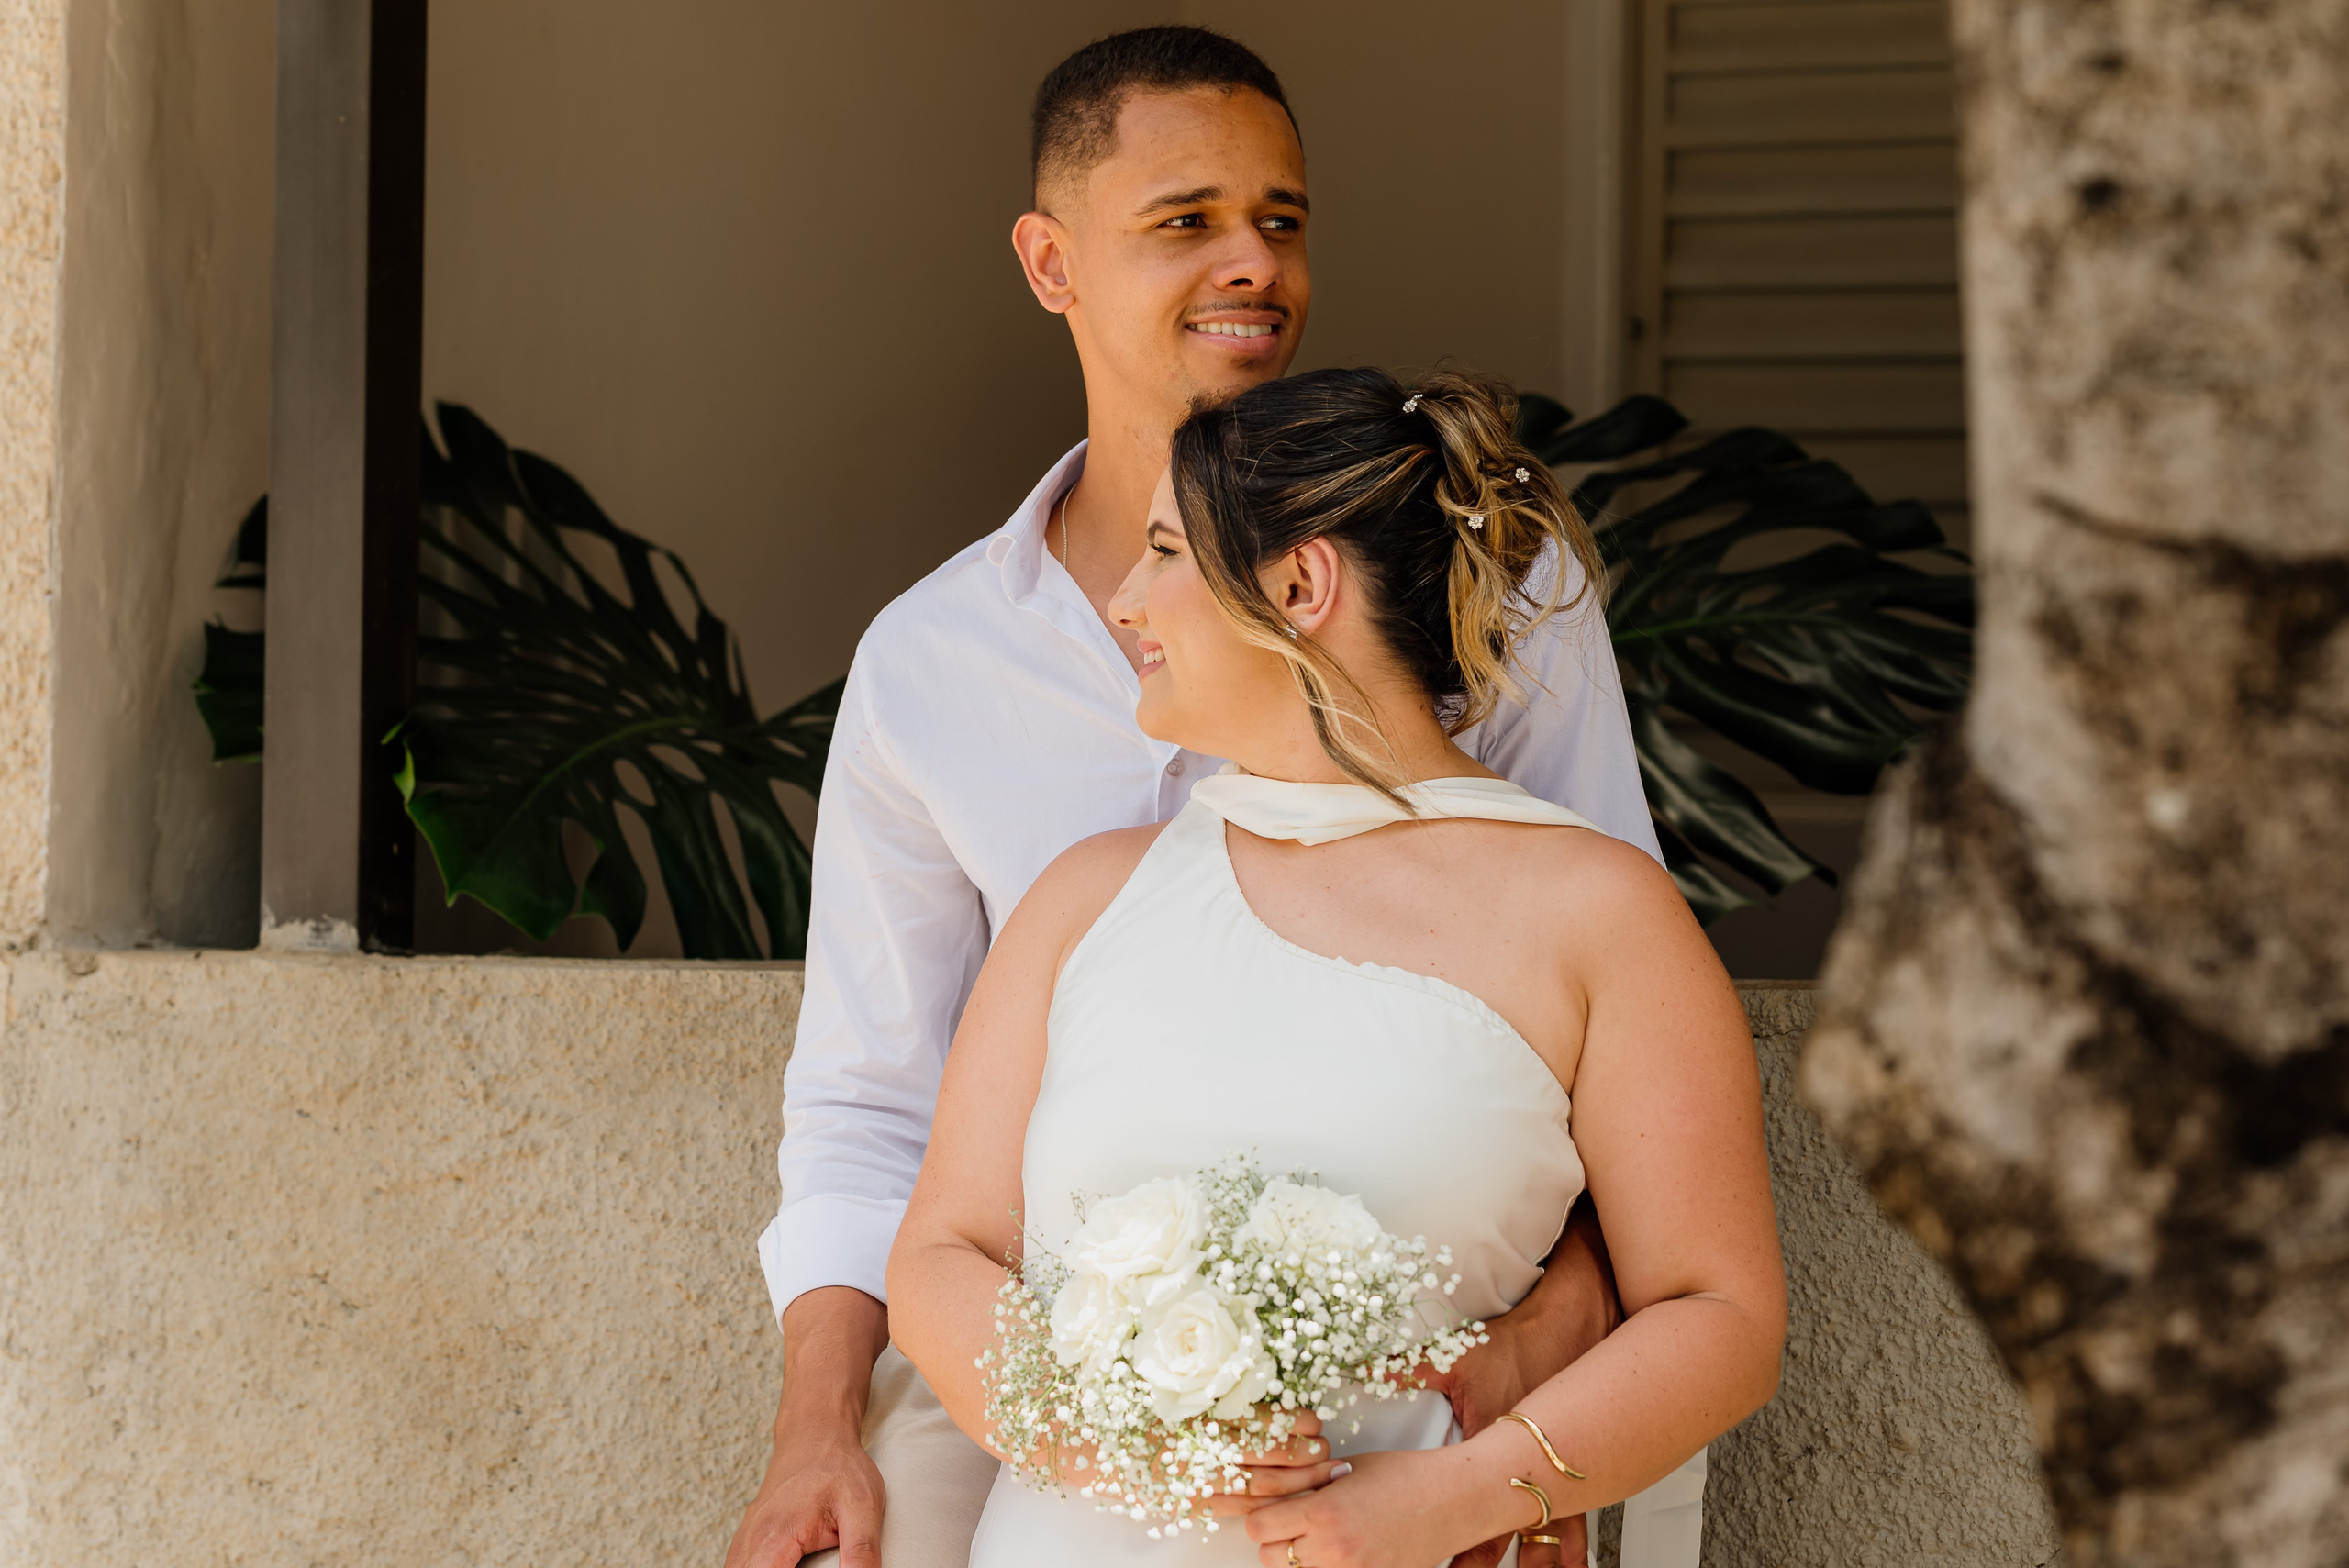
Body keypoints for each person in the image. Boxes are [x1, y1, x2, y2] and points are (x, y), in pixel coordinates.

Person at [728, 27, 1675, 1568]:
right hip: (1039, 1344)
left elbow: (1609, 1018)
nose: (1255, 262)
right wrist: (819, 1427)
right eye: (1187, 222)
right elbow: (867, 1099)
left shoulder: (1490, 592)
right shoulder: (930, 665)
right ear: (1052, 263)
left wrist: (1552, 1344)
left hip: (1441, 1338)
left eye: (1281, 219)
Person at [886, 365, 1786, 1568]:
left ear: (1301, 584)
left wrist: (1467, 1495)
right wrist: (1114, 1445)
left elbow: (1718, 1314)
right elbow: (941, 1251)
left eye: (1164, 550)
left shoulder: (1599, 915)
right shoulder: (1087, 897)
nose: (1124, 596)